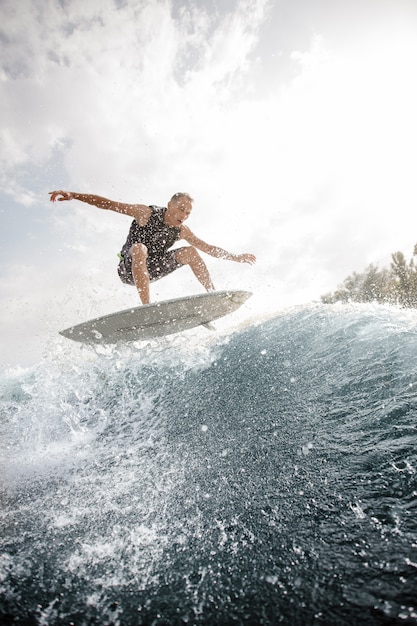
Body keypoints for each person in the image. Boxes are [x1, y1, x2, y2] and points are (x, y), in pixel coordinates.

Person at [49, 190, 256, 304]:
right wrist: (75, 195)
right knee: (140, 248)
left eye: (188, 213)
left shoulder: (181, 231)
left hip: (154, 268)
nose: (183, 216)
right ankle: (146, 308)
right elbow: (109, 204)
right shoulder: (145, 214)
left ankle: (213, 295)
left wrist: (236, 257)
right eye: (181, 209)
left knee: (191, 252)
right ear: (170, 205)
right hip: (129, 269)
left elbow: (207, 247)